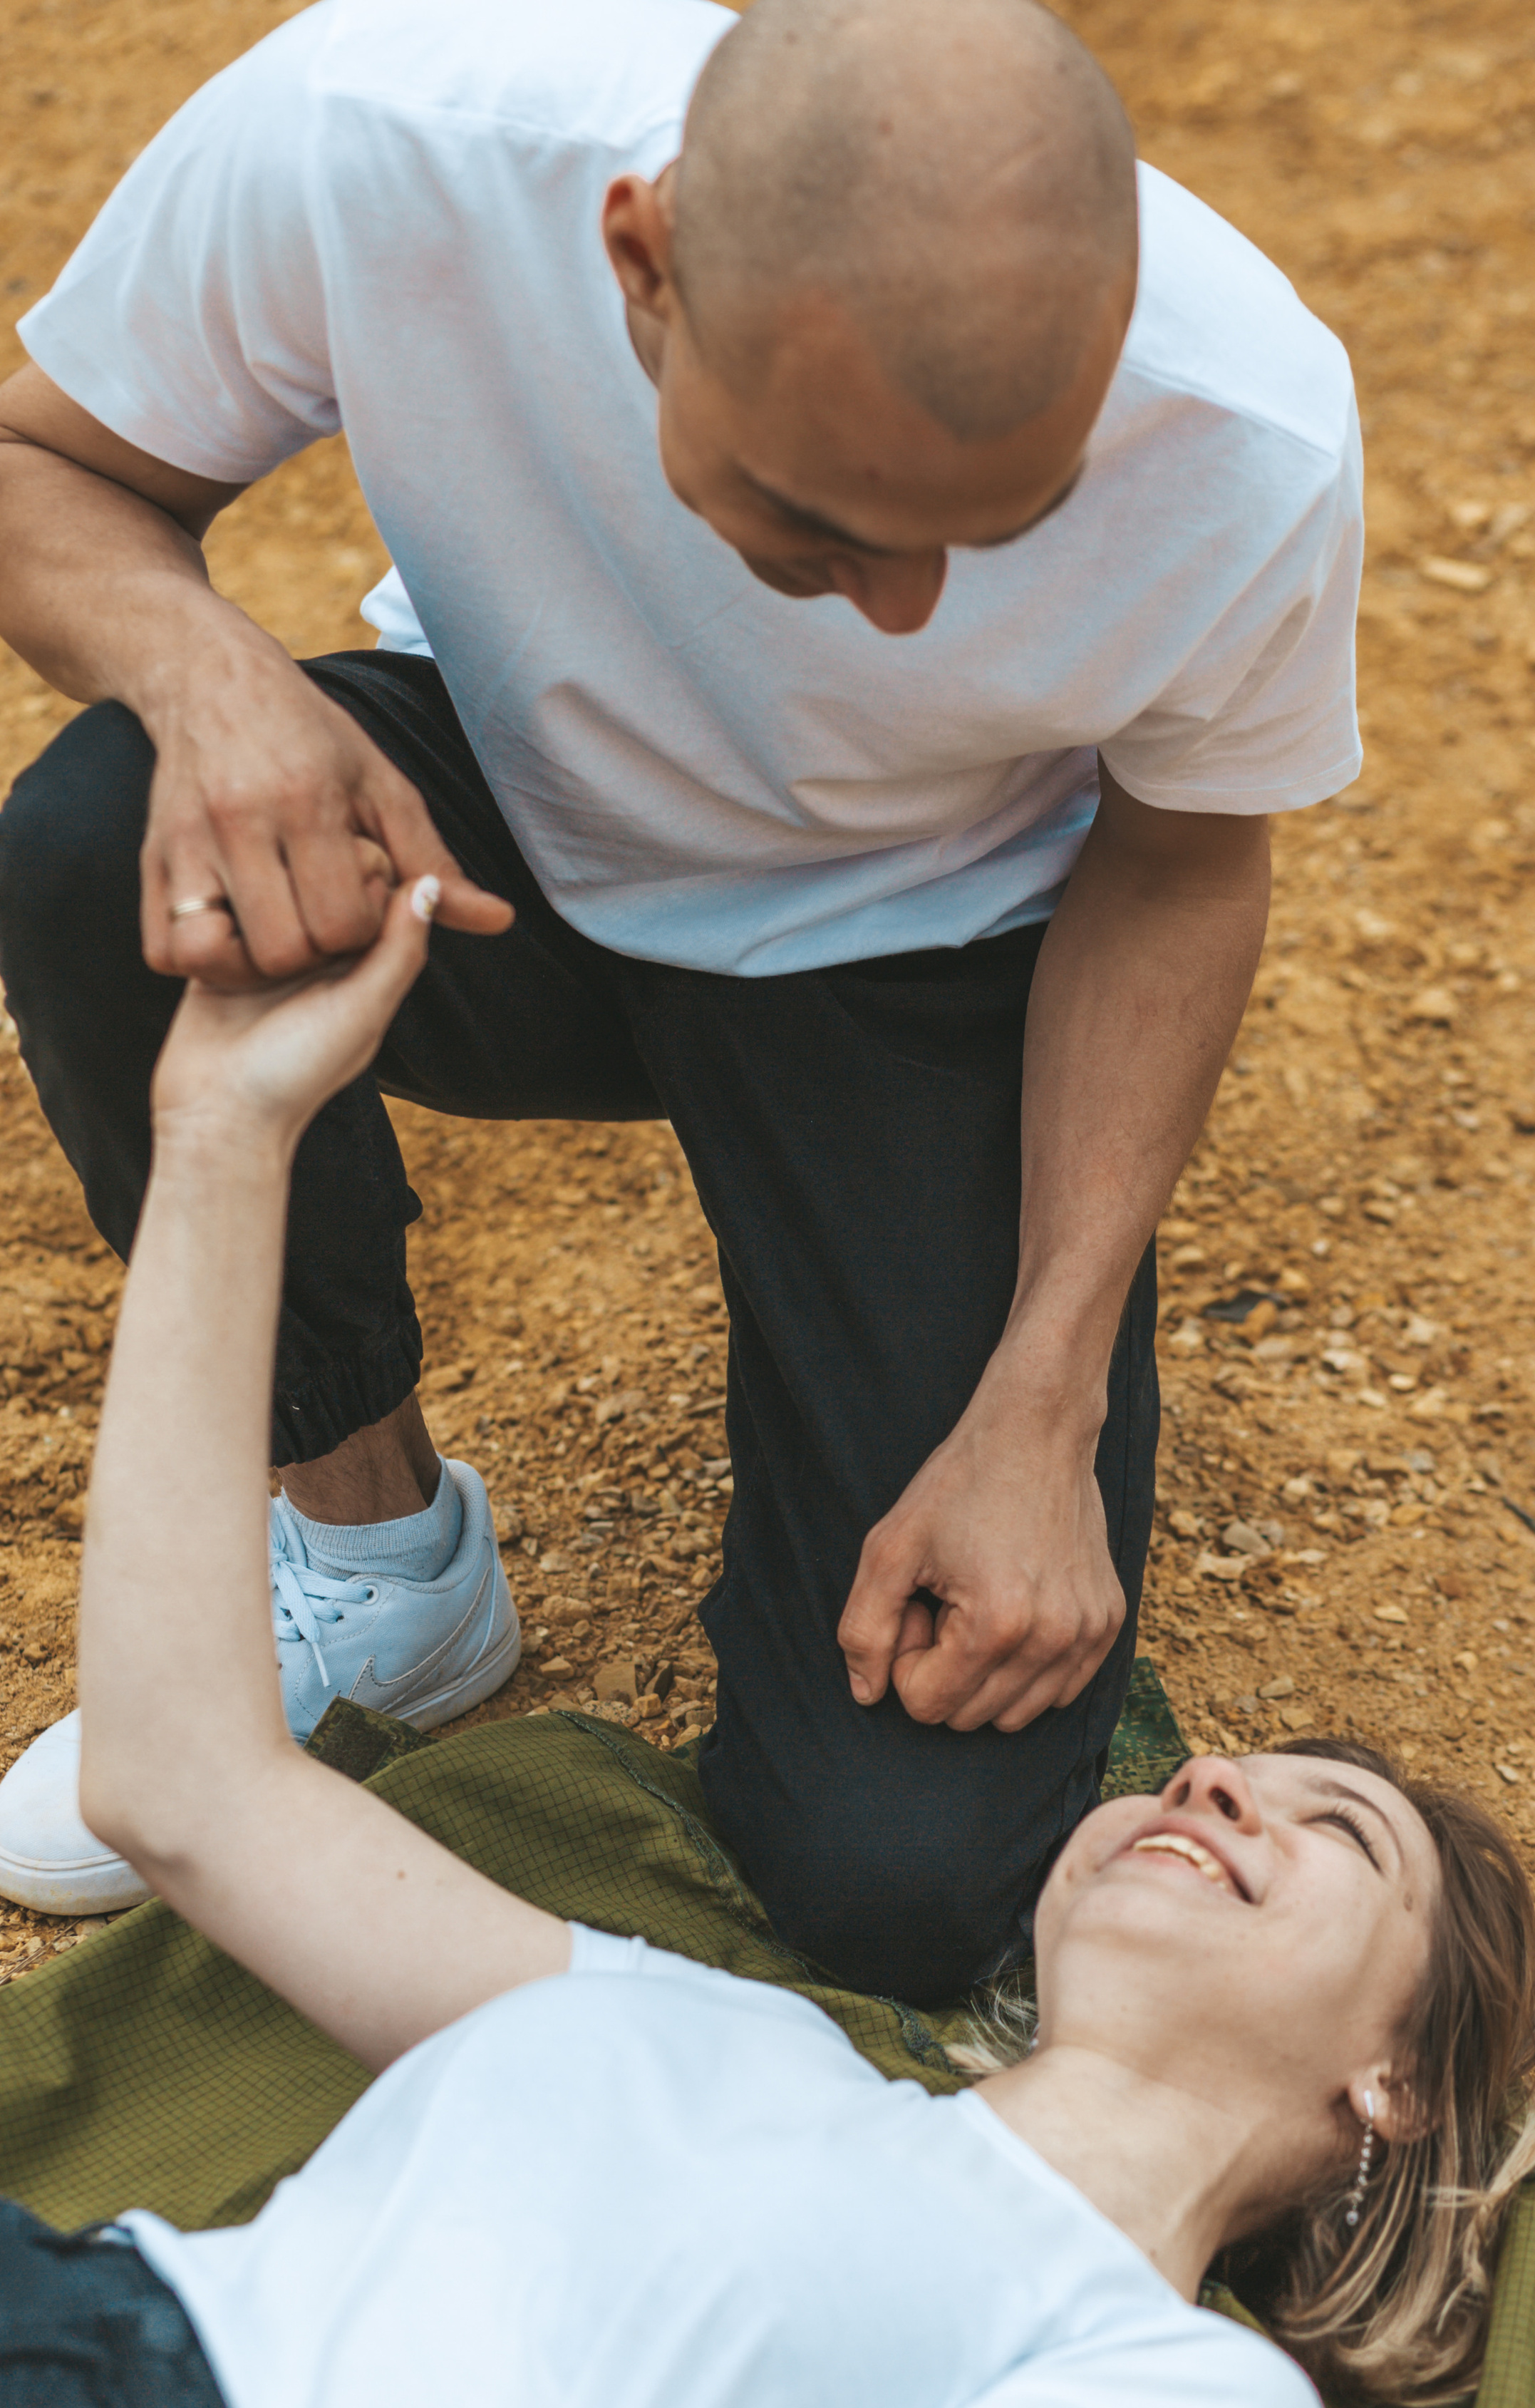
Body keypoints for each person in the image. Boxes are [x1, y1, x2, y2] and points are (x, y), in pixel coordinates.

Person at [0, 882, 1535, 2408]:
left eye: (1342, 1838)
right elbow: (184, 1788)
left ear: (1394, 2087)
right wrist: (219, 1136)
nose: (1224, 1780)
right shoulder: (706, 2026)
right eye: (1239, 1774)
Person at [0, 0, 1363, 1999]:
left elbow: (1172, 861)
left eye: (984, 539)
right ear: (644, 265)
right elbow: (45, 465)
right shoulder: (380, 129)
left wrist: (1041, 1395)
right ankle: (381, 1559)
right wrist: (208, 680)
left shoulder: (1243, 434)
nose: (906, 613)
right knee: (96, 838)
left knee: (897, 1882)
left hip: (927, 953)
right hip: (497, 849)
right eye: (826, 522)